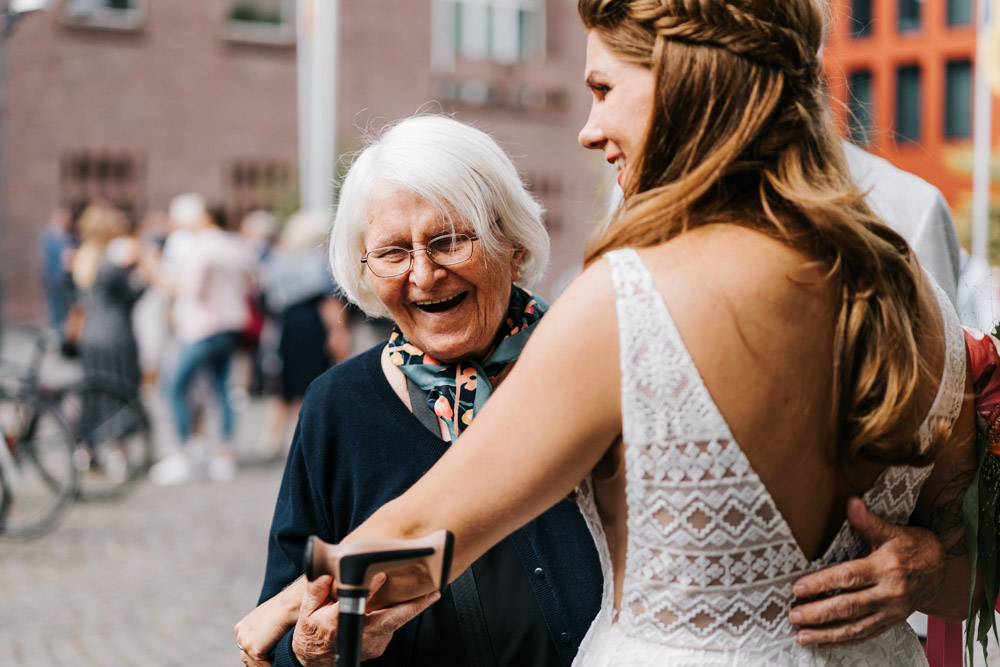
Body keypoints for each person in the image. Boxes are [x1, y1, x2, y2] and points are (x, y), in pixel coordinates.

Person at [302, 2, 979, 665]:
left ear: (689, 85)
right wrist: (930, 565)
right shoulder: (915, 299)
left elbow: (426, 530)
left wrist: (299, 600)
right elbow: (969, 570)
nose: (589, 131)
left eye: (603, 89)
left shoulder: (630, 301)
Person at [235, 115, 603, 667]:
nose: (424, 275)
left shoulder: (590, 372)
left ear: (511, 240)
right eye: (393, 252)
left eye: (449, 240)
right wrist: (312, 652)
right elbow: (280, 624)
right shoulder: (339, 406)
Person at [148, 193, 256, 485]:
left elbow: (189, 289)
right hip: (232, 325)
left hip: (203, 327)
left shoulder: (202, 247)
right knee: (223, 391)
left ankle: (186, 451)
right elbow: (254, 282)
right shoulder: (236, 245)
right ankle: (224, 454)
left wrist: (158, 278)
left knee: (174, 385)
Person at [255, 209, 351, 457]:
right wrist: (338, 331)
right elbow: (328, 301)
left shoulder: (277, 259)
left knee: (283, 380)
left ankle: (274, 436)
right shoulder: (318, 260)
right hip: (311, 324)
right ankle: (302, 435)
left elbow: (267, 296)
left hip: (285, 324)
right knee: (309, 380)